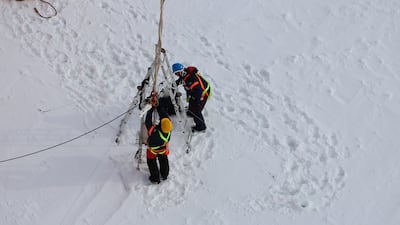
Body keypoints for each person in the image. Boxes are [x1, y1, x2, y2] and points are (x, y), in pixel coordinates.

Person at [172, 63, 212, 132]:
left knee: (196, 110)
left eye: (177, 73)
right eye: (175, 74)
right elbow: (181, 80)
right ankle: (190, 112)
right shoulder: (185, 74)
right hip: (196, 92)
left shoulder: (191, 79)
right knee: (191, 104)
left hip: (203, 94)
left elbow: (199, 91)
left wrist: (197, 100)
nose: (176, 75)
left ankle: (201, 127)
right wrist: (174, 84)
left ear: (181, 71)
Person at [145, 102, 173, 184]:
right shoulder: (168, 129)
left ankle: (155, 178)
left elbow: (148, 121)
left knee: (151, 162)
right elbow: (165, 117)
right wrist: (159, 106)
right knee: (163, 160)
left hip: (153, 150)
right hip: (163, 148)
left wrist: (150, 109)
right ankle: (164, 174)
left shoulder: (154, 132)